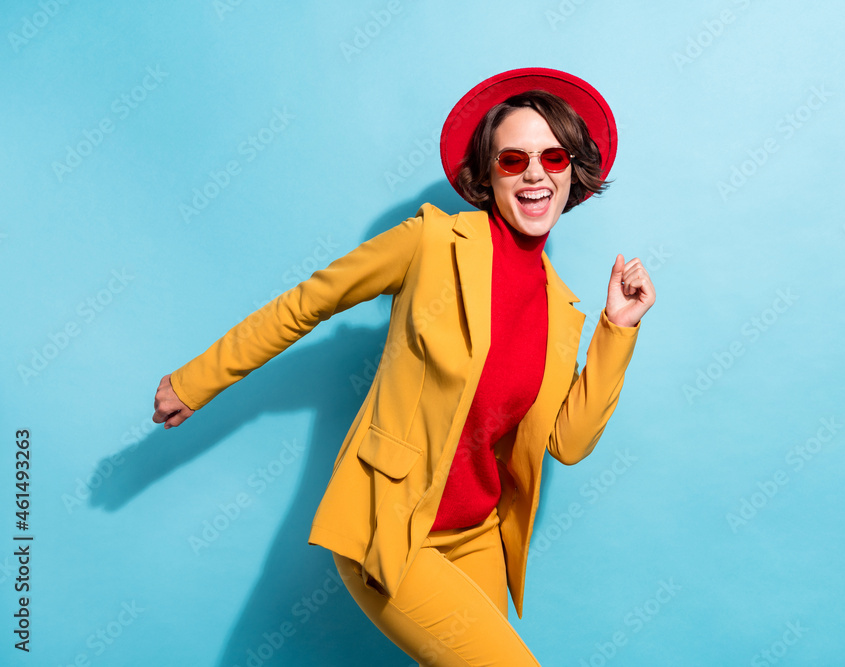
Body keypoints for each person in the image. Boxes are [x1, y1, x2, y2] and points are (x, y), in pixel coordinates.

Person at [152, 67, 655, 666]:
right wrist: (196, 381)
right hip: (390, 527)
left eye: (553, 157)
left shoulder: (559, 308)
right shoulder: (431, 243)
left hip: (476, 538)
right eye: (512, 160)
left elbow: (567, 444)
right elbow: (308, 304)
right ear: (487, 175)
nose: (535, 174)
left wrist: (617, 328)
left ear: (573, 172)